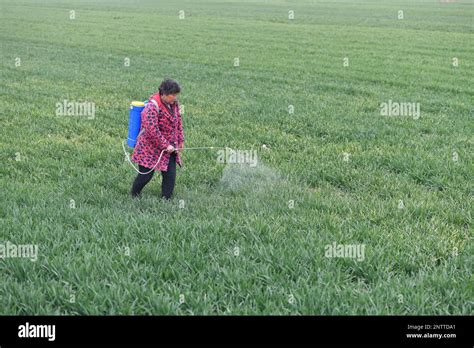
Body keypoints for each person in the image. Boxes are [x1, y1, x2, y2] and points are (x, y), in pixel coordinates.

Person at [130, 79, 184, 199]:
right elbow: (151, 131)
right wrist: (166, 145)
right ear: (163, 94)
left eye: (176, 95)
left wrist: (180, 140)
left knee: (170, 175)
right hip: (148, 148)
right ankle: (134, 194)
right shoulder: (151, 107)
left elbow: (178, 122)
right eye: (172, 95)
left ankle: (166, 199)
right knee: (146, 175)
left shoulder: (174, 104)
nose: (175, 98)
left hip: (169, 148)